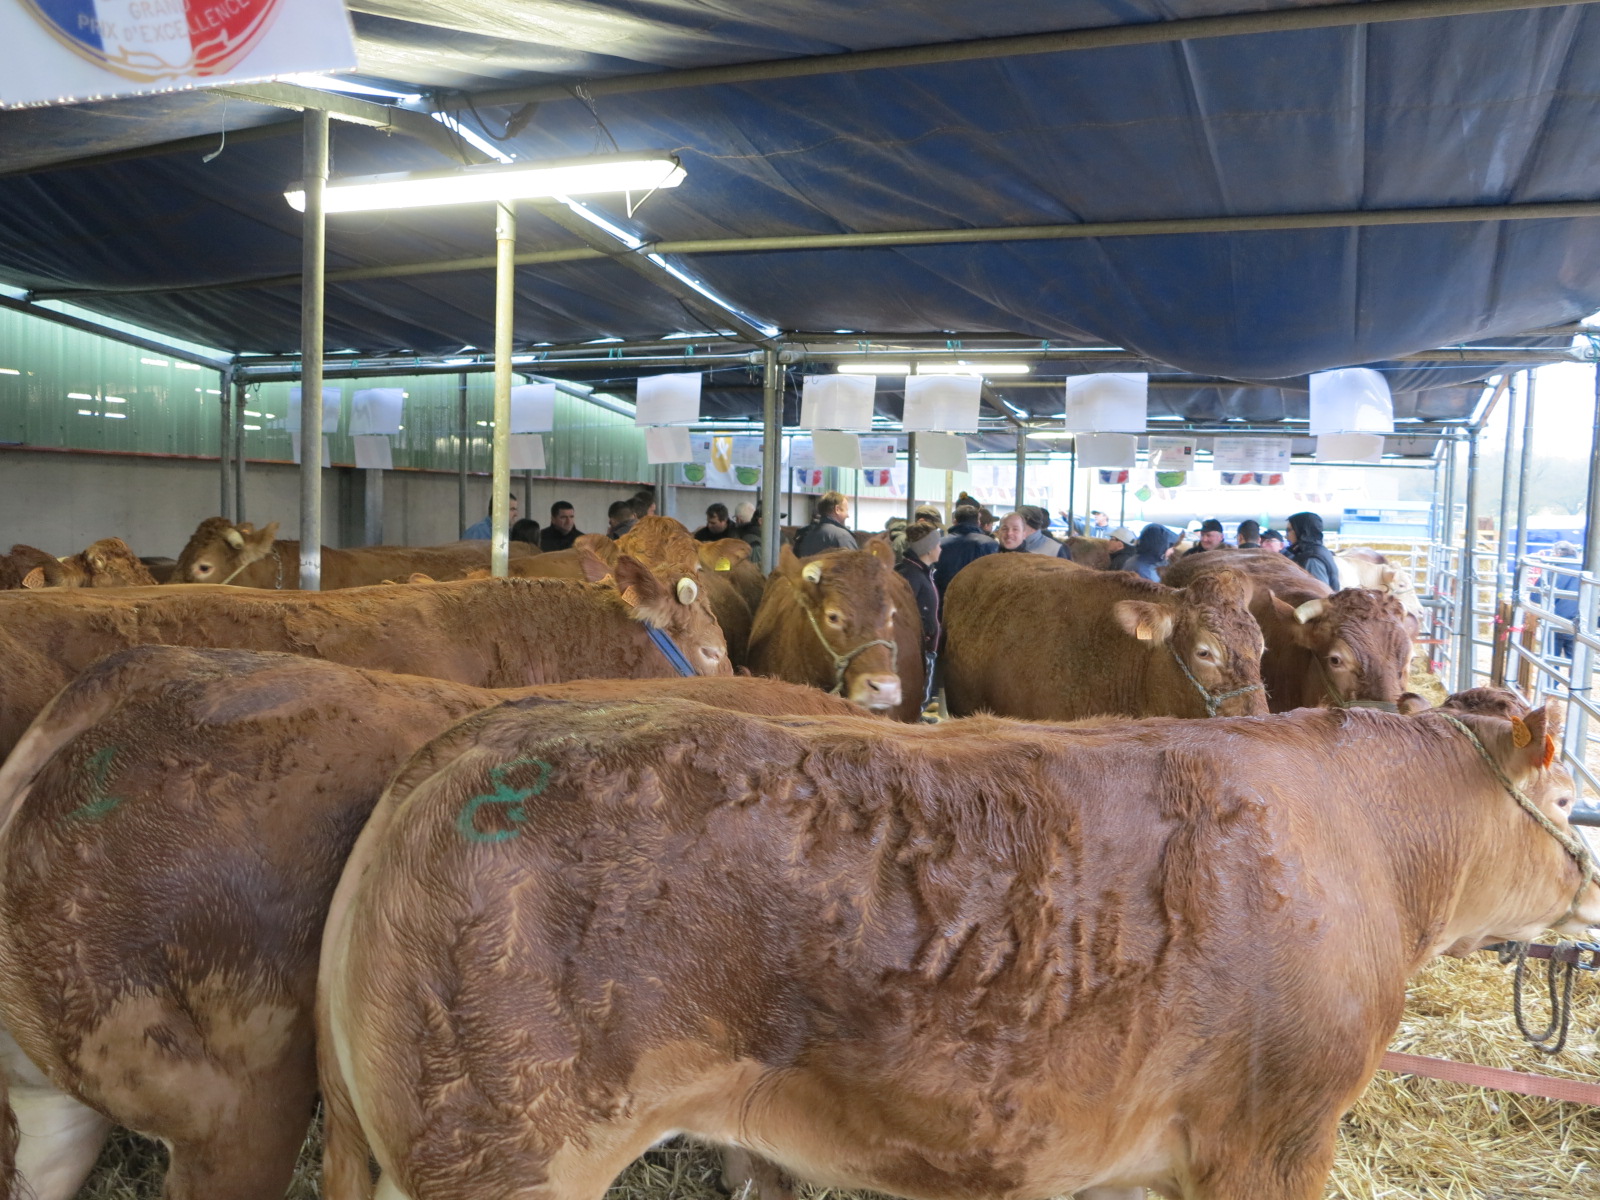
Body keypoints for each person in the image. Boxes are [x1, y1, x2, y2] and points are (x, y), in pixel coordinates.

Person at [895, 519, 942, 705]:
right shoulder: (911, 575)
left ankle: (918, 717)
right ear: (928, 549)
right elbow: (901, 612)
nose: (941, 549)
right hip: (917, 649)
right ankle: (915, 719)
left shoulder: (920, 572)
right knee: (918, 692)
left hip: (924, 646)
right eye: (938, 545)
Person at [934, 503, 998, 598]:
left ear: (955, 521)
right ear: (978, 522)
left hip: (946, 599)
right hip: (977, 599)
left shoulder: (939, 544)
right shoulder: (990, 544)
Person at [1284, 511, 1340, 588]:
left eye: (1289, 531)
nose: (1286, 537)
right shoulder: (1317, 551)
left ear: (1302, 531)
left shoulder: (1312, 559)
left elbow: (1319, 596)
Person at [793, 491, 856, 557]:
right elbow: (853, 565)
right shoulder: (843, 537)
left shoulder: (804, 536)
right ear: (837, 509)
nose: (847, 515)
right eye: (846, 510)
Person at [1546, 541, 1580, 658]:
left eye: (1552, 552)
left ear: (1558, 553)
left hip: (1557, 620)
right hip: (1579, 621)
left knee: (1552, 658)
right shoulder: (1584, 568)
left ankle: (1553, 676)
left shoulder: (1554, 568)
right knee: (1576, 661)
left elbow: (1536, 595)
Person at [996, 510, 1067, 558]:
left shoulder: (1034, 563)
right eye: (1004, 529)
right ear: (998, 532)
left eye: (1015, 529)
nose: (1009, 533)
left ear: (1024, 534)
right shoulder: (988, 560)